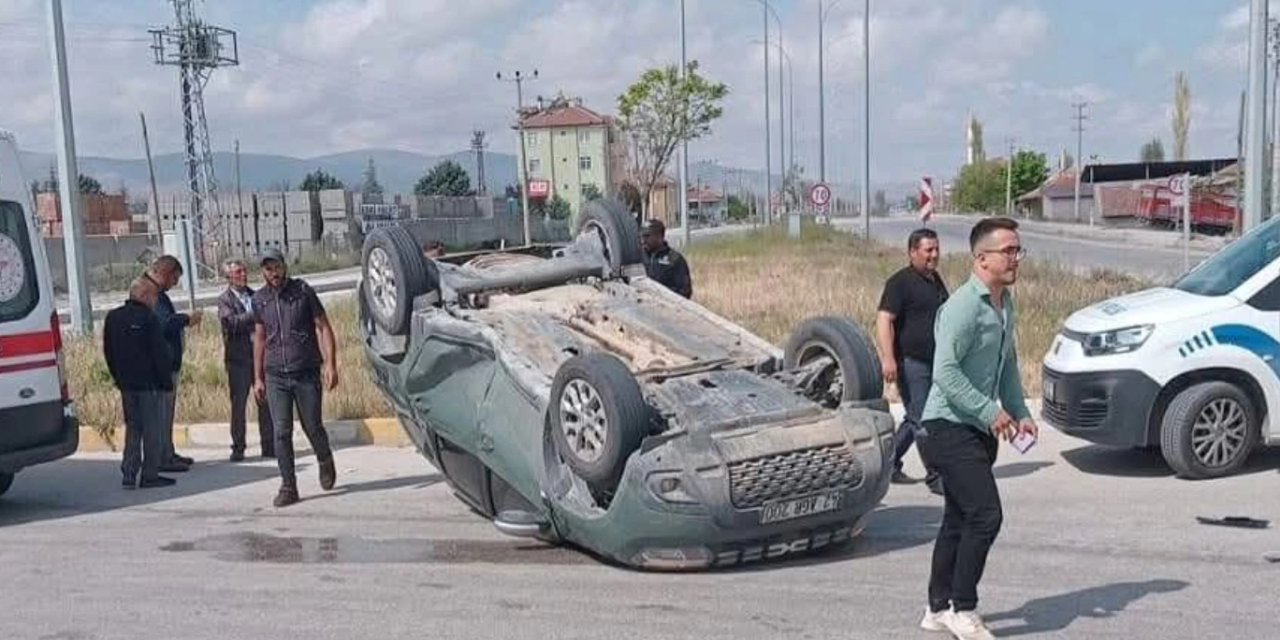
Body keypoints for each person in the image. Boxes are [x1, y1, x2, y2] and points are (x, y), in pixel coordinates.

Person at [916, 217, 1037, 640]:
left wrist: (1019, 411)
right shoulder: (963, 306)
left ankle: (937, 608)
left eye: (1018, 250)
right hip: (947, 426)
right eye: (1008, 251)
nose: (1016, 258)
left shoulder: (1005, 304)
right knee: (986, 515)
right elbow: (945, 372)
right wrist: (988, 411)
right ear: (981, 258)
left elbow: (1008, 365)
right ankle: (962, 607)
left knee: (958, 518)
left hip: (976, 429)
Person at [251, 248, 340, 507]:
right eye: (268, 269)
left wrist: (330, 364)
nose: (273, 273)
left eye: (277, 267)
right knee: (281, 431)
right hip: (275, 376)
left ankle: (325, 459)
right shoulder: (259, 300)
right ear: (263, 272)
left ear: (284, 266)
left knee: (312, 426)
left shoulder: (302, 292)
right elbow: (259, 338)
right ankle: (288, 486)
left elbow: (323, 327)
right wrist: (258, 378)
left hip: (305, 372)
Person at [876, 228, 947, 494]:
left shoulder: (935, 280)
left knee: (915, 417)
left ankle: (888, 464)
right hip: (910, 363)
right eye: (928, 250)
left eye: (936, 249)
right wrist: (888, 359)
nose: (934, 255)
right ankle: (936, 476)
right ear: (912, 252)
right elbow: (884, 320)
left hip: (935, 362)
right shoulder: (900, 283)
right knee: (923, 421)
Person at [103, 278, 177, 489]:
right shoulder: (148, 318)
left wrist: (117, 377)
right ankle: (150, 474)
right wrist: (166, 382)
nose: (155, 301)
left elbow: (108, 351)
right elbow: (159, 353)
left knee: (133, 428)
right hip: (148, 384)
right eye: (153, 296)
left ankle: (129, 472)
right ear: (144, 296)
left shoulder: (113, 317)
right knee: (152, 429)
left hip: (126, 384)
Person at [142, 255, 202, 472]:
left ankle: (168, 452)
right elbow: (164, 323)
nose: (174, 284)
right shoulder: (150, 293)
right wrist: (186, 319)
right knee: (160, 414)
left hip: (167, 364)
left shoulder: (158, 293)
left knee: (167, 413)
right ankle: (161, 458)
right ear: (165, 274)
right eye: (174, 279)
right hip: (159, 366)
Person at [218, 259, 274, 462]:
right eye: (238, 272)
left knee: (264, 401)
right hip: (238, 360)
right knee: (239, 405)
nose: (243, 275)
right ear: (229, 277)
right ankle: (238, 447)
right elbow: (231, 323)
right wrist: (254, 315)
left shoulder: (255, 295)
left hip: (259, 358)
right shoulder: (225, 300)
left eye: (244, 271)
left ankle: (269, 445)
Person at [640, 219, 692, 298]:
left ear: (659, 236)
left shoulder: (674, 259)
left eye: (647, 236)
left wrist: (660, 294)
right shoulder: (637, 257)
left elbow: (685, 291)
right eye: (641, 236)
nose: (643, 240)